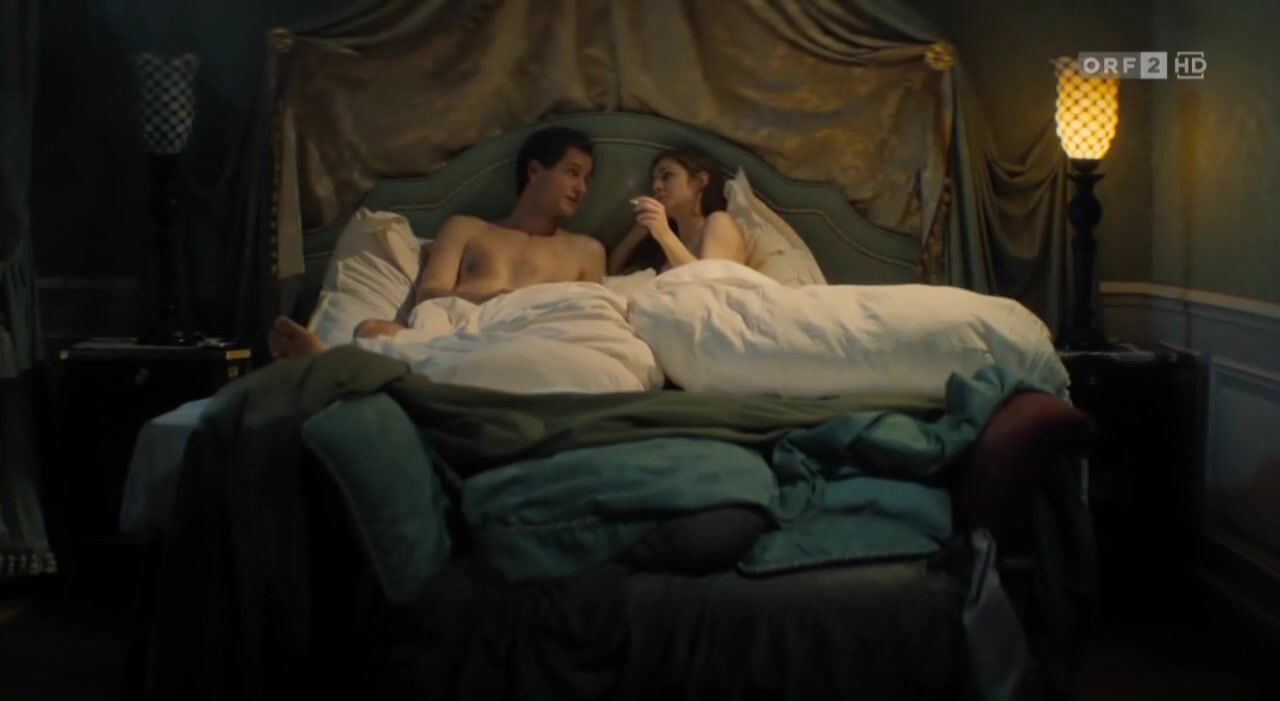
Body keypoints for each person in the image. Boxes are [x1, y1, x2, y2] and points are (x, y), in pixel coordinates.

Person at [270, 126, 606, 359]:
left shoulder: (587, 251)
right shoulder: (467, 228)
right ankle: (329, 364)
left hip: (533, 337)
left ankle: (334, 367)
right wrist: (492, 299)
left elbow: (592, 320)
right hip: (452, 332)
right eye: (573, 172)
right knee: (371, 330)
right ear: (534, 170)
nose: (582, 188)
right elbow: (429, 294)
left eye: (587, 179)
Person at [607, 148, 747, 275]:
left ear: (700, 181)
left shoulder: (719, 221)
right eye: (654, 180)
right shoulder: (668, 246)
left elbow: (710, 282)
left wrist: (664, 234)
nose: (656, 186)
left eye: (667, 176)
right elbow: (611, 273)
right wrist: (639, 231)